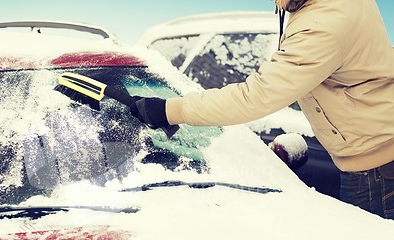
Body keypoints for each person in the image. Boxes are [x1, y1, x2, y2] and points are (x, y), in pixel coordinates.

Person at [130, 0, 394, 220]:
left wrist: (171, 109)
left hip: (375, 169)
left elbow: (258, 95)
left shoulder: (322, 23)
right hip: (378, 153)